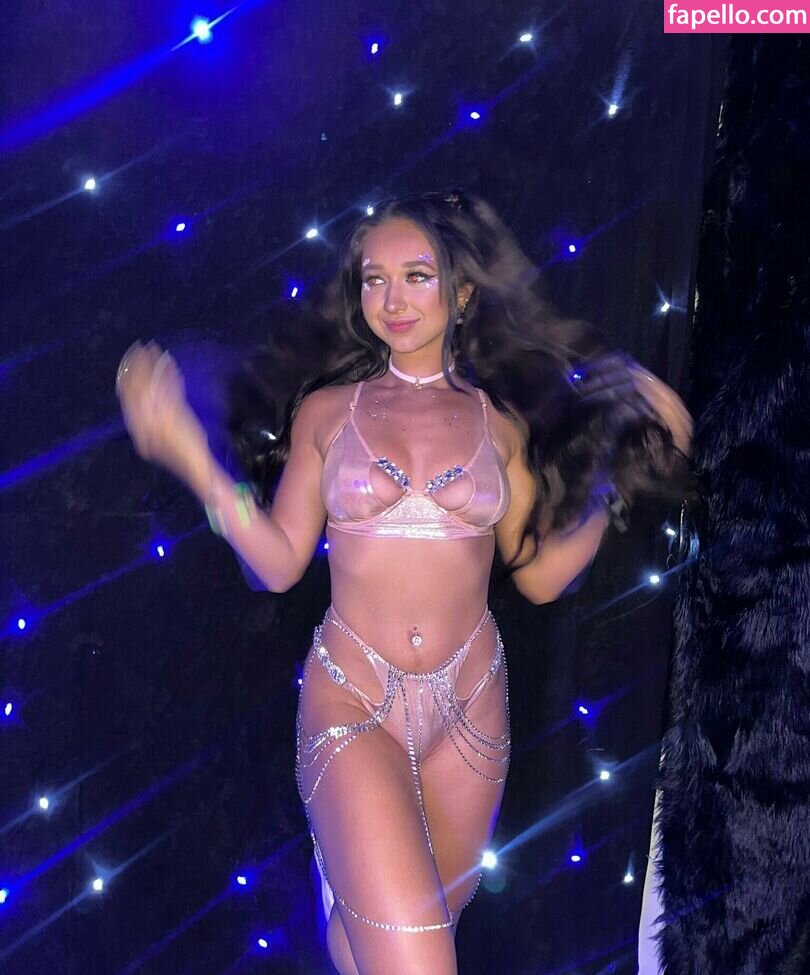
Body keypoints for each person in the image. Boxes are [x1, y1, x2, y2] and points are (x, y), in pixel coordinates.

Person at [115, 191, 692, 975]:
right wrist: (192, 456)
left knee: (376, 954)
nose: (392, 299)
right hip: (353, 700)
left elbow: (540, 576)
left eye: (417, 276)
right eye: (374, 279)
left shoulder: (500, 425)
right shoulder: (327, 414)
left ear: (464, 292)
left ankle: (342, 894)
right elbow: (276, 561)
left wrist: (616, 480)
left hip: (471, 714)